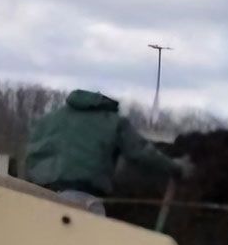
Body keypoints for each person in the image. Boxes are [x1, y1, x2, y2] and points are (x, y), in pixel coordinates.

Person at [23, 90, 188, 215]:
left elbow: (31, 156)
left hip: (37, 198)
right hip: (82, 198)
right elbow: (140, 151)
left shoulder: (48, 120)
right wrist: (176, 167)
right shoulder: (112, 121)